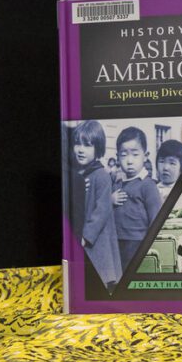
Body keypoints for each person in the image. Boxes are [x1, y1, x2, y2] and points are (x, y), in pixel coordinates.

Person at [72, 120, 121, 292]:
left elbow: (102, 209)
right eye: (77, 143)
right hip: (84, 233)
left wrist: (86, 235)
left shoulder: (101, 175)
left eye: (87, 145)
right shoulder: (79, 173)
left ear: (98, 148)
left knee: (99, 279)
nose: (80, 149)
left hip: (97, 238)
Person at [111, 127, 162, 271]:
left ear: (145, 156)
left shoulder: (148, 185)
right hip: (115, 241)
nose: (129, 161)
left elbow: (156, 220)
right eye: (123, 155)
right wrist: (110, 200)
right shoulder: (116, 184)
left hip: (137, 242)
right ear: (117, 157)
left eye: (135, 154)